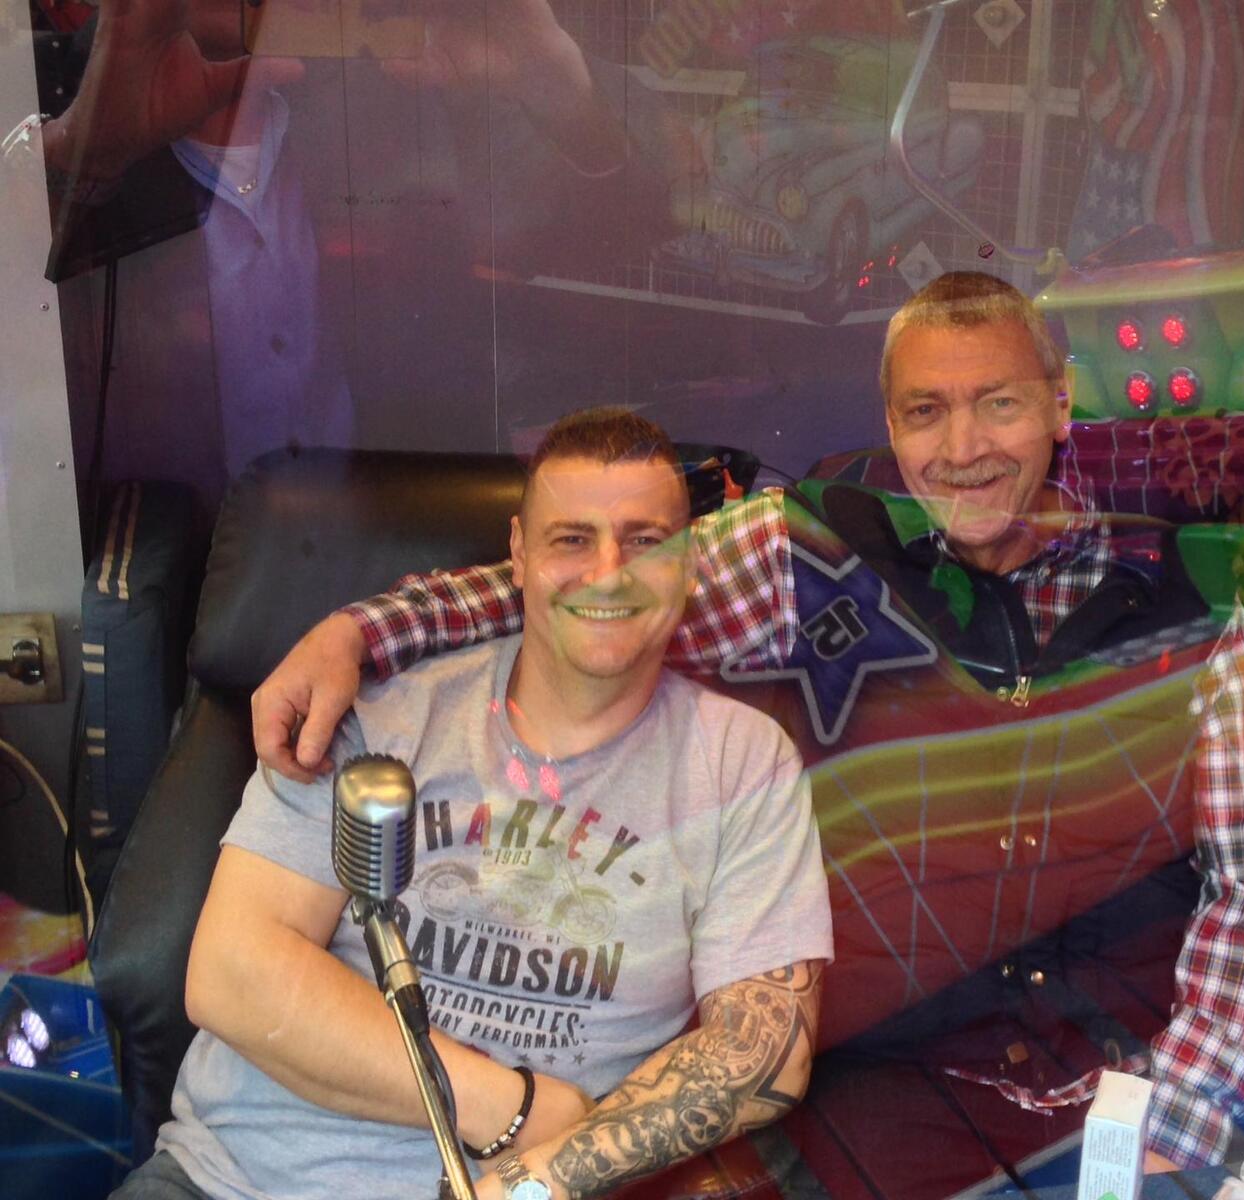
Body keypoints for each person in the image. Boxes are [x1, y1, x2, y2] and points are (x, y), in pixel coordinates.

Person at [253, 271, 1244, 1172]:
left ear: (1060, 403)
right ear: (890, 421)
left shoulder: (1190, 610)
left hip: (1114, 1096)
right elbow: (599, 590)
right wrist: (361, 633)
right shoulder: (812, 554)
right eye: (925, 412)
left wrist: (1177, 1121)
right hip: (880, 1092)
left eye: (999, 405)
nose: (963, 447)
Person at [112, 408, 833, 1200]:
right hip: (232, 1181)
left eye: (645, 540)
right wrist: (506, 1106)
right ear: (518, 555)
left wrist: (528, 1184)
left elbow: (761, 1053)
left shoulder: (741, 764)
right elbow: (229, 972)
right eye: (572, 540)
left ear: (689, 560)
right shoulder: (381, 713)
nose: (608, 572)